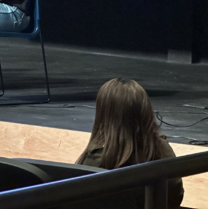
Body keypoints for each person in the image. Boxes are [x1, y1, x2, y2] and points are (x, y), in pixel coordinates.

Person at [76, 78, 184, 208]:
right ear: (145, 110)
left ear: (103, 113)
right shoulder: (161, 149)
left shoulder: (96, 157)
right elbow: (175, 196)